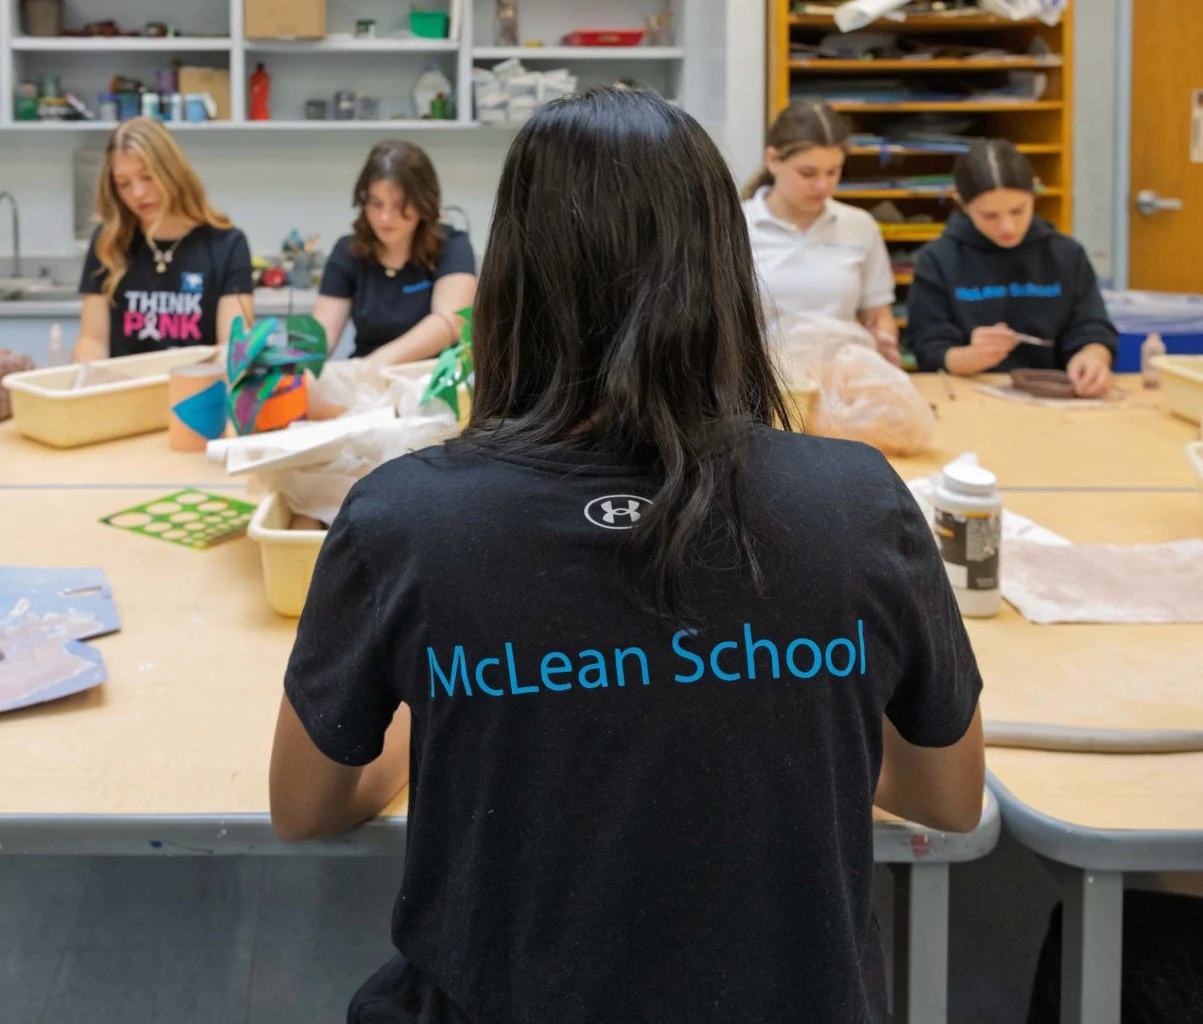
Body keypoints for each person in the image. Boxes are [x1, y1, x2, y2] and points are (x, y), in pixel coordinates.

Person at [270, 88, 985, 1024]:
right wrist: (782, 701)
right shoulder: (854, 503)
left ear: (514, 277)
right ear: (725, 266)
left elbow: (304, 806)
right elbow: (948, 796)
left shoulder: (406, 520)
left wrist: (442, 712)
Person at [908, 139, 1117, 396]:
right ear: (960, 202)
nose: (1007, 227)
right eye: (990, 216)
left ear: (1035, 191)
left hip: (1057, 398)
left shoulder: (1066, 254)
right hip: (969, 398)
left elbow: (1092, 327)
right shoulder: (938, 259)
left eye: (1018, 210)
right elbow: (928, 349)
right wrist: (971, 356)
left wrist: (1093, 356)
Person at [74, 118, 253, 362]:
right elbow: (92, 340)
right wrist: (88, 371)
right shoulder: (107, 242)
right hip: (125, 393)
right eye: (123, 184)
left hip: (198, 394)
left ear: (173, 173)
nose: (137, 193)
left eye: (147, 177)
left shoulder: (227, 245)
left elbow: (233, 347)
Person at [742, 101, 900, 365]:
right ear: (773, 160)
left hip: (842, 378)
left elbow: (878, 314)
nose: (822, 185)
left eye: (833, 171)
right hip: (761, 380)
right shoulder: (737, 225)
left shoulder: (860, 226)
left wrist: (884, 337)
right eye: (807, 173)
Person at [313, 140, 478, 365]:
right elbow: (321, 337)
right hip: (366, 386)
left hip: (432, 383)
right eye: (376, 203)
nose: (385, 218)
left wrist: (369, 367)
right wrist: (292, 360)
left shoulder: (452, 245)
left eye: (400, 205)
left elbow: (452, 322)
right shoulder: (347, 251)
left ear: (424, 202)